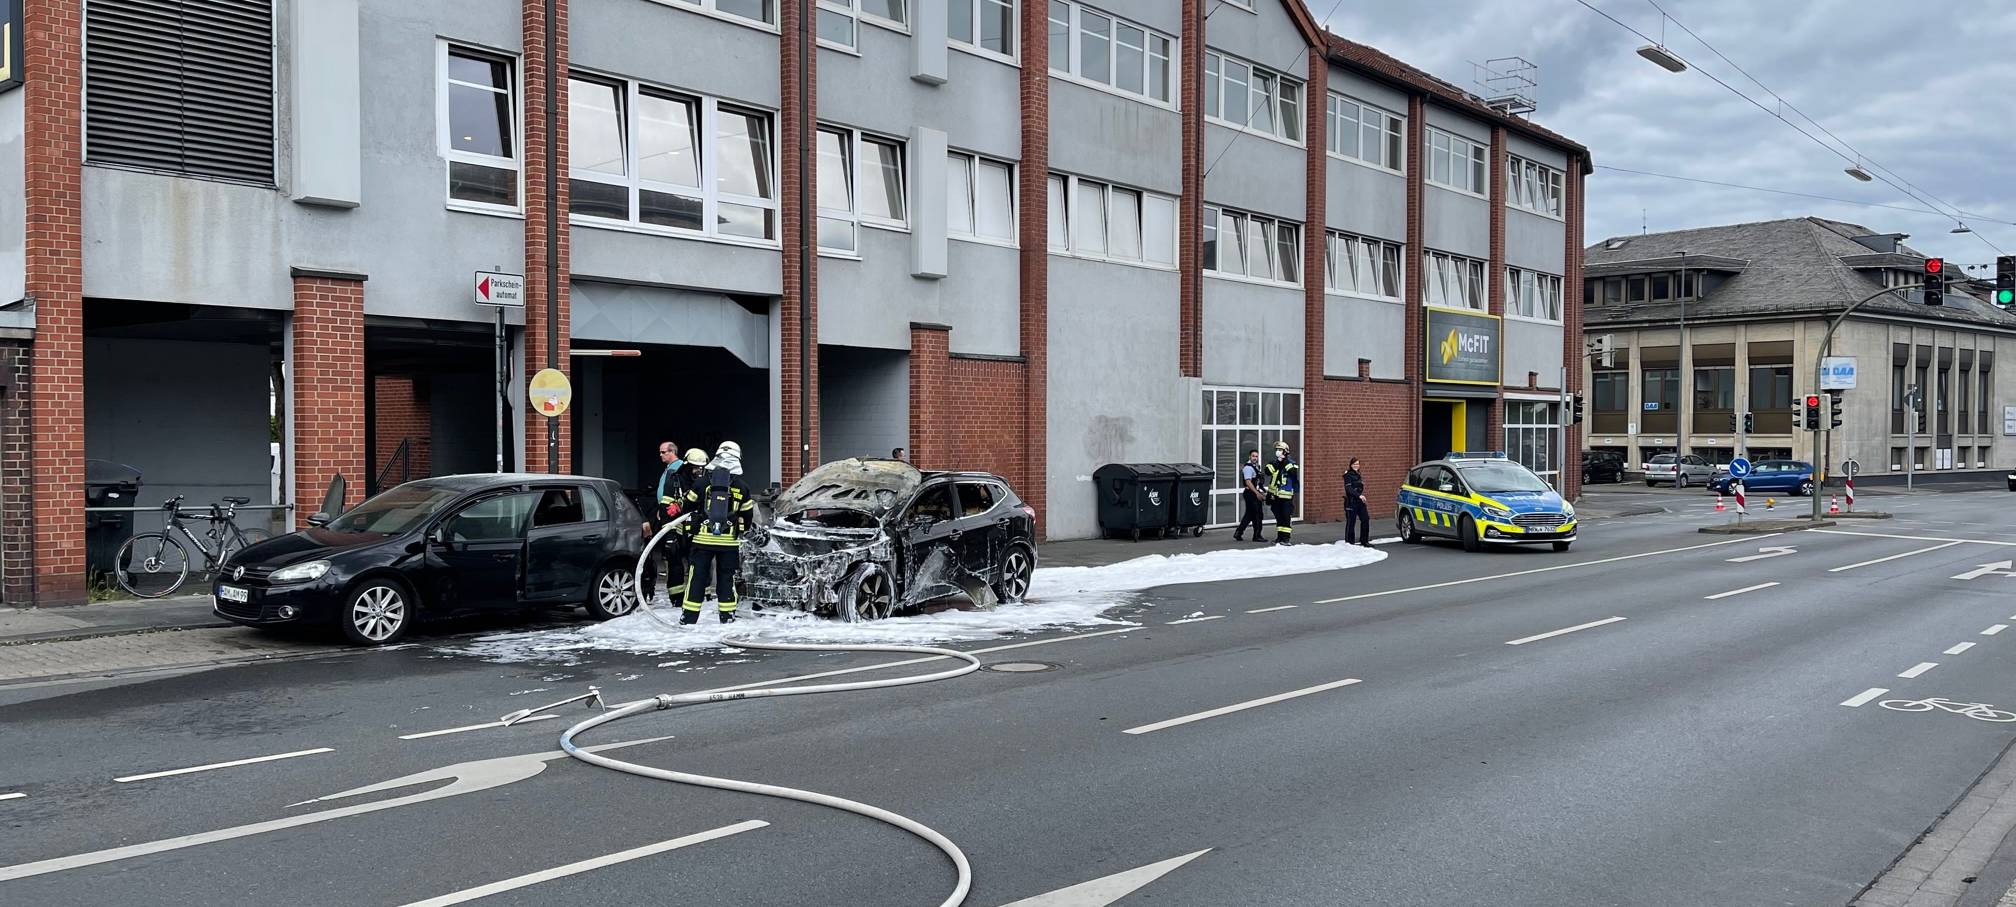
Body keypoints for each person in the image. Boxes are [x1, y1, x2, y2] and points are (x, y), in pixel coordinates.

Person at [679, 441, 756, 624]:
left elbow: (687, 507)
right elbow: (747, 516)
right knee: (726, 579)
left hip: (702, 541)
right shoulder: (742, 487)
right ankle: (727, 617)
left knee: (696, 578)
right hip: (729, 543)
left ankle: (689, 619)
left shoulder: (702, 482)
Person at [640, 441, 682, 601]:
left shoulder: (677, 468)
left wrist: (665, 511)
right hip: (663, 512)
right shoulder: (669, 468)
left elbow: (674, 494)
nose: (660, 455)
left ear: (672, 452)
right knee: (667, 552)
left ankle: (677, 595)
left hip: (671, 516)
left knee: (673, 553)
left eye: (663, 452)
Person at [1263, 440, 1300, 544]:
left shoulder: (1291, 463)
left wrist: (1285, 462)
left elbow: (1293, 474)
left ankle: (1286, 538)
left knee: (1285, 517)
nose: (1278, 451)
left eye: (1280, 450)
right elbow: (1267, 472)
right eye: (1277, 450)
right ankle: (1279, 537)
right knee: (1279, 517)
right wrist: (1277, 463)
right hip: (1275, 496)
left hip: (1286, 497)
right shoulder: (1273, 463)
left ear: (1285, 452)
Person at [1234, 449, 1266, 542]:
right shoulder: (1248, 468)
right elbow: (1248, 482)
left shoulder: (1255, 466)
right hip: (1250, 494)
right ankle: (1257, 536)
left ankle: (1238, 533)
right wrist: (1257, 493)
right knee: (1257, 515)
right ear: (1249, 457)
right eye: (1253, 456)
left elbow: (1258, 482)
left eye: (1256, 456)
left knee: (1249, 515)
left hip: (1253, 492)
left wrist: (1262, 491)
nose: (1255, 458)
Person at [1343, 457, 1371, 548]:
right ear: (1351, 465)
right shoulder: (1348, 475)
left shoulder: (1358, 474)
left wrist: (1360, 496)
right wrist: (1359, 495)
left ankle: (1364, 541)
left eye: (1358, 464)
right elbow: (1349, 488)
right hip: (1351, 502)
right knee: (1351, 522)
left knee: (1365, 519)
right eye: (1354, 464)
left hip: (1360, 501)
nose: (1356, 466)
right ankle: (1349, 543)